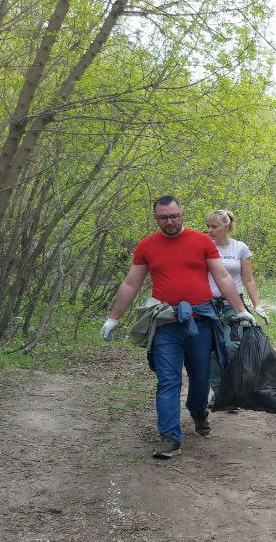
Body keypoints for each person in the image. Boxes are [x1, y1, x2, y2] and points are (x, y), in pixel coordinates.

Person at [101, 197, 254, 459]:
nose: (170, 222)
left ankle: (197, 411)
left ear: (182, 214)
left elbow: (222, 276)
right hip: (165, 324)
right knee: (168, 380)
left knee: (201, 378)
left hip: (201, 322)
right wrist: (113, 317)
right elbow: (130, 284)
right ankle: (170, 436)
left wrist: (241, 310)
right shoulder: (146, 246)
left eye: (174, 216)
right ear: (155, 218)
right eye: (163, 218)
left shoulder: (202, 241)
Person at [205, 209, 267, 402]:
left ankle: (232, 389)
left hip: (234, 305)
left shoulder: (239, 248)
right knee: (211, 350)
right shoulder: (205, 246)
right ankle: (219, 393)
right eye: (208, 226)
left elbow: (248, 279)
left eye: (213, 226)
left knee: (232, 347)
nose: (209, 230)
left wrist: (257, 305)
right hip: (209, 304)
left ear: (227, 227)